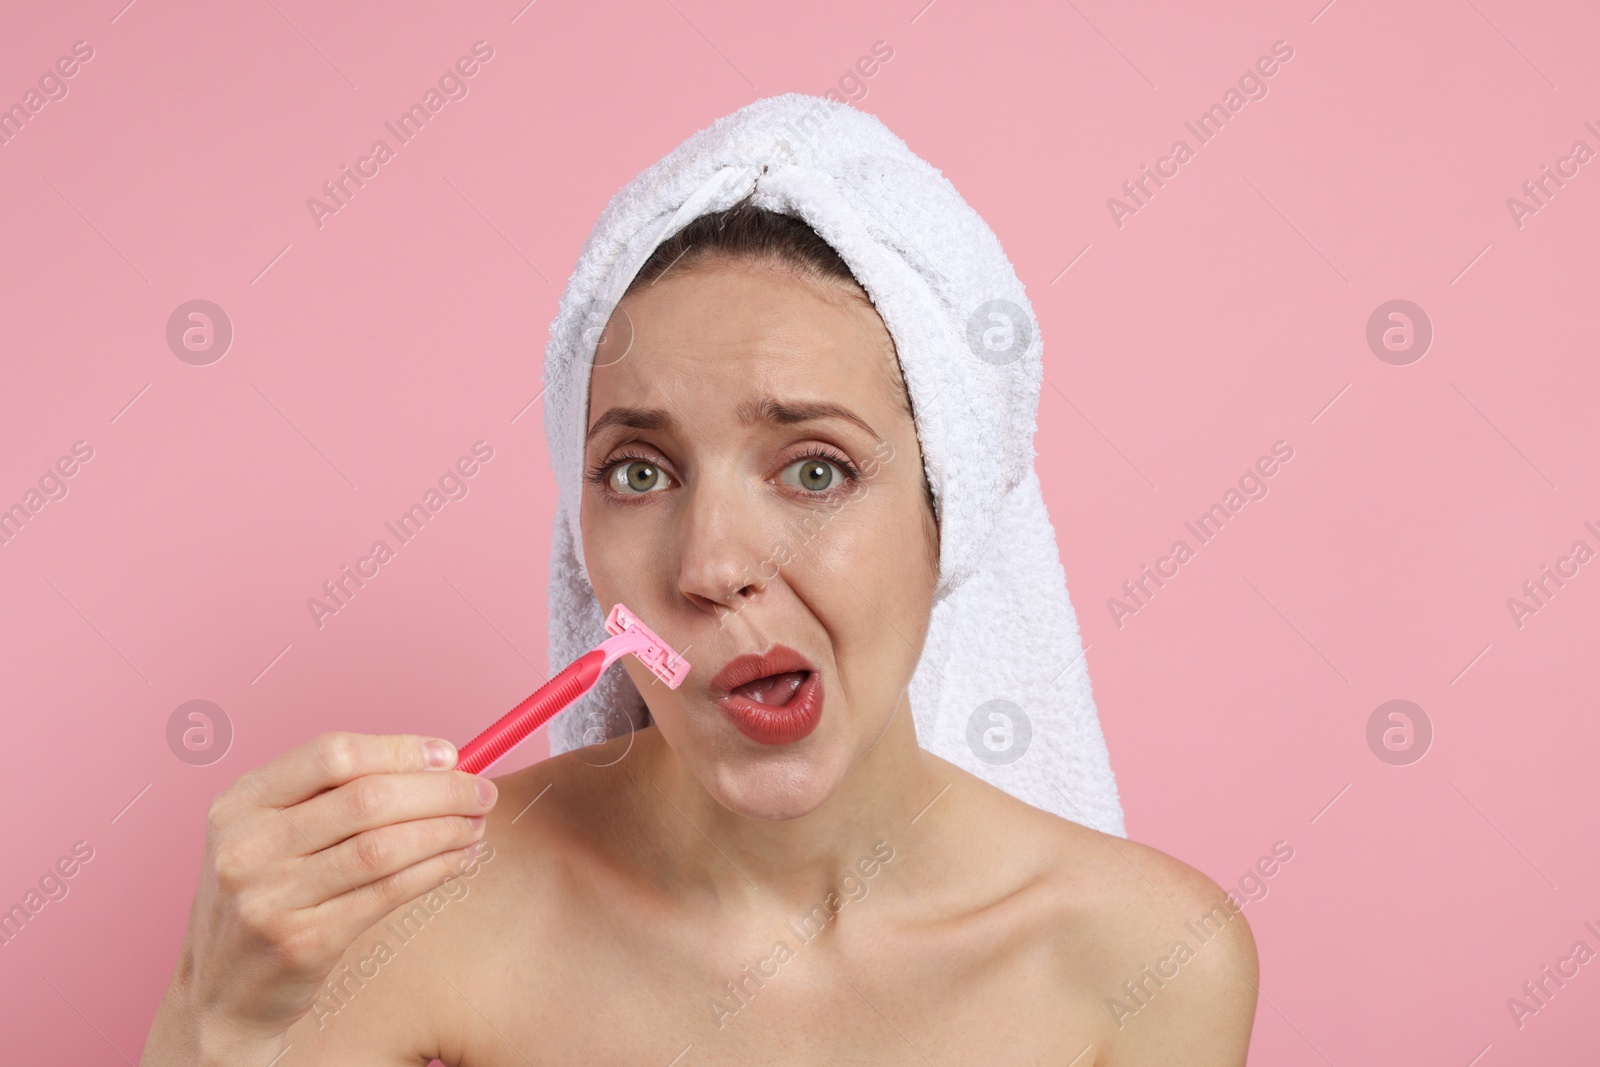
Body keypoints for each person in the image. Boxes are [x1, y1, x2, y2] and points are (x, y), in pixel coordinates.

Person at [141, 106, 1257, 1067]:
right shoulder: (414, 909)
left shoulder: (1149, 959)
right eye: (638, 471)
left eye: (814, 468)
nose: (709, 565)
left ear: (948, 507)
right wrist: (218, 1028)